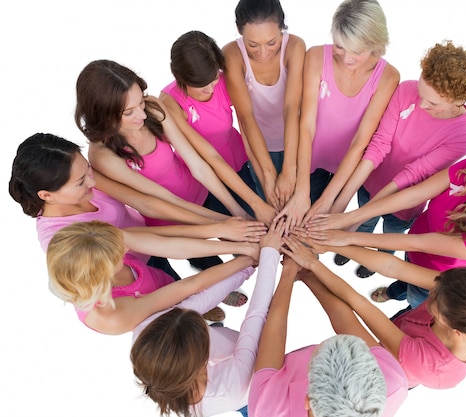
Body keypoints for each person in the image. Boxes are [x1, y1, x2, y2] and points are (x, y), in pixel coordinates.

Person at [9, 132, 266, 319]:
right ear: (46, 195)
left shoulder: (84, 178)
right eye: (79, 182)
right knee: (175, 289)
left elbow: (144, 202)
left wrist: (221, 223)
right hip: (132, 273)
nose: (91, 181)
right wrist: (227, 235)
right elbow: (152, 240)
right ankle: (204, 303)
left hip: (148, 239)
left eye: (87, 170)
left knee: (174, 271)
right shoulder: (63, 238)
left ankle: (212, 293)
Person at [304, 131, 466, 309]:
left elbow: (421, 243)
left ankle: (399, 299)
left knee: (415, 301)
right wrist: (351, 217)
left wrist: (347, 237)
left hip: (434, 275)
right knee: (399, 278)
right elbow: (416, 194)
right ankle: (393, 291)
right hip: (412, 247)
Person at [330, 40, 466, 278]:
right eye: (421, 92)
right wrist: (348, 213)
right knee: (363, 220)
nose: (421, 103)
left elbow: (417, 172)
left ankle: (375, 260)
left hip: (405, 200)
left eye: (433, 103)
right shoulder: (406, 89)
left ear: (459, 99)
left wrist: (357, 217)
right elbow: (379, 143)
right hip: (371, 179)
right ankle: (353, 247)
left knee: (389, 235)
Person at [281, 235, 466, 391]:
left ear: (456, 330)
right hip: (407, 331)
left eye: (436, 302)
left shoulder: (430, 364)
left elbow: (356, 309)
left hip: (386, 370)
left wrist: (311, 269)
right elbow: (393, 265)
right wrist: (334, 242)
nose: (433, 293)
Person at [75, 59, 248, 271]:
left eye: (140, 102)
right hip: (170, 215)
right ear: (103, 114)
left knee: (242, 239)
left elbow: (198, 165)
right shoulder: (103, 155)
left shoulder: (153, 107)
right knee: (207, 260)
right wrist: (221, 223)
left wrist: (236, 210)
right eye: (129, 112)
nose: (142, 114)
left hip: (200, 191)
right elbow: (163, 198)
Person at [130, 218, 286, 417]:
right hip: (248, 396)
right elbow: (255, 320)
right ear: (203, 360)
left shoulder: (147, 330)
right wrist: (269, 256)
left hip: (226, 352)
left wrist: (248, 265)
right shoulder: (231, 389)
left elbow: (201, 299)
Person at [275, 0, 400, 232]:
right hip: (310, 160)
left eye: (357, 51)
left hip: (347, 166)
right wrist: (301, 189)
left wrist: (329, 200)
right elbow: (306, 125)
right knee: (294, 221)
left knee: (321, 225)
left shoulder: (388, 77)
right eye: (340, 46)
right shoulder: (315, 56)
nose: (346, 58)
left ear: (375, 44)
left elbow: (361, 140)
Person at [248, 254, 408, 416]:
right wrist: (307, 274)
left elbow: (274, 333)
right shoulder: (394, 382)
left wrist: (288, 272)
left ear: (307, 401)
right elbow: (345, 321)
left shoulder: (266, 410)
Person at [46, 220, 259, 335]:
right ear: (101, 273)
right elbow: (191, 285)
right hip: (163, 322)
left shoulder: (97, 243)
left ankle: (208, 306)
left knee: (184, 291)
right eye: (120, 252)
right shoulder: (112, 316)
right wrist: (247, 260)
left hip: (162, 284)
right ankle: (204, 320)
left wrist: (240, 245)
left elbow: (171, 244)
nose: (128, 247)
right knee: (190, 317)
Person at [160, 30, 276, 225]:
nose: (209, 88)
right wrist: (254, 204)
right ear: (179, 77)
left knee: (264, 219)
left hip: (238, 162)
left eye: (213, 79)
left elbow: (247, 124)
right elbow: (209, 156)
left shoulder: (225, 80)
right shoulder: (171, 102)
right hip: (205, 179)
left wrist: (266, 178)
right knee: (240, 227)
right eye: (200, 85)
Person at [222, 0, 306, 217]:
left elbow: (291, 107)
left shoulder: (295, 46)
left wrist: (289, 168)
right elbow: (246, 116)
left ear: (282, 29)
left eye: (271, 42)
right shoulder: (231, 54)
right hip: (258, 146)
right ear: (240, 32)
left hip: (295, 142)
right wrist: (267, 173)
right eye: (252, 45)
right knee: (271, 211)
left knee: (298, 214)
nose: (262, 52)